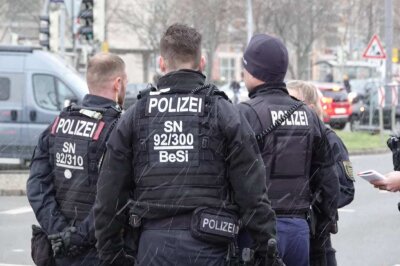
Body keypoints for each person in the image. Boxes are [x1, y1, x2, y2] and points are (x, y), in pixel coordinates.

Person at [93, 23, 281, 266]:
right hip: (211, 245)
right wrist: (266, 248)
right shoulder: (223, 112)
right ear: (201, 63)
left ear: (162, 64)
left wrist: (111, 254)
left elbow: (108, 195)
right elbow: (253, 192)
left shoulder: (135, 115)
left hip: (153, 248)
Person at [237, 34, 339, 266]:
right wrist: (320, 228)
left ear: (253, 72)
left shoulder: (243, 114)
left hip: (256, 233)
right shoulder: (309, 116)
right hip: (298, 231)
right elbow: (328, 182)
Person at [27, 53, 127, 266]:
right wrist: (79, 236)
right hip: (100, 251)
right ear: (118, 84)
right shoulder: (119, 128)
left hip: (59, 251)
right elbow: (116, 197)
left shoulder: (57, 124)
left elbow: (37, 186)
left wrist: (59, 232)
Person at [287, 80, 355, 266]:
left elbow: (346, 189)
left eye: (292, 101)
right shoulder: (284, 140)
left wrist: (315, 205)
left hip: (318, 241)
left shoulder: (330, 140)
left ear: (309, 107)